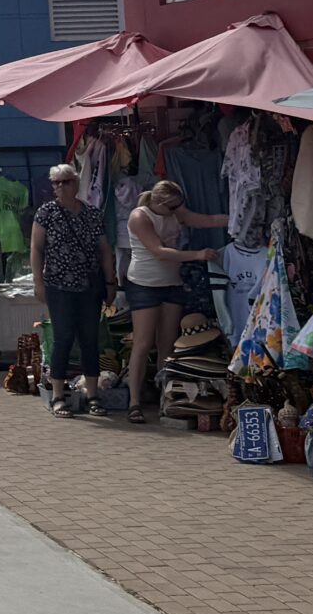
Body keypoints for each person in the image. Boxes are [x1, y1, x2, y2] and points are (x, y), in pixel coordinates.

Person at [122, 180, 230, 424]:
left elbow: (205, 220)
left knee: (168, 343)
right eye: (172, 208)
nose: (177, 212)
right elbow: (158, 251)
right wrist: (197, 255)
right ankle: (134, 402)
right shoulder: (140, 216)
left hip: (172, 283)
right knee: (143, 342)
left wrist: (234, 220)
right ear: (160, 203)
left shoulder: (173, 210)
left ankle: (166, 398)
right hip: (145, 284)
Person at [32, 166, 118, 415]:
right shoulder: (46, 213)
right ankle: (58, 395)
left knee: (90, 340)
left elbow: (104, 250)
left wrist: (110, 282)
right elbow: (36, 249)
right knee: (63, 338)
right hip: (59, 285)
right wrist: (38, 282)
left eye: (65, 182)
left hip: (89, 286)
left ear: (76, 183)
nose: (60, 187)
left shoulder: (92, 214)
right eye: (56, 183)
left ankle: (92, 395)